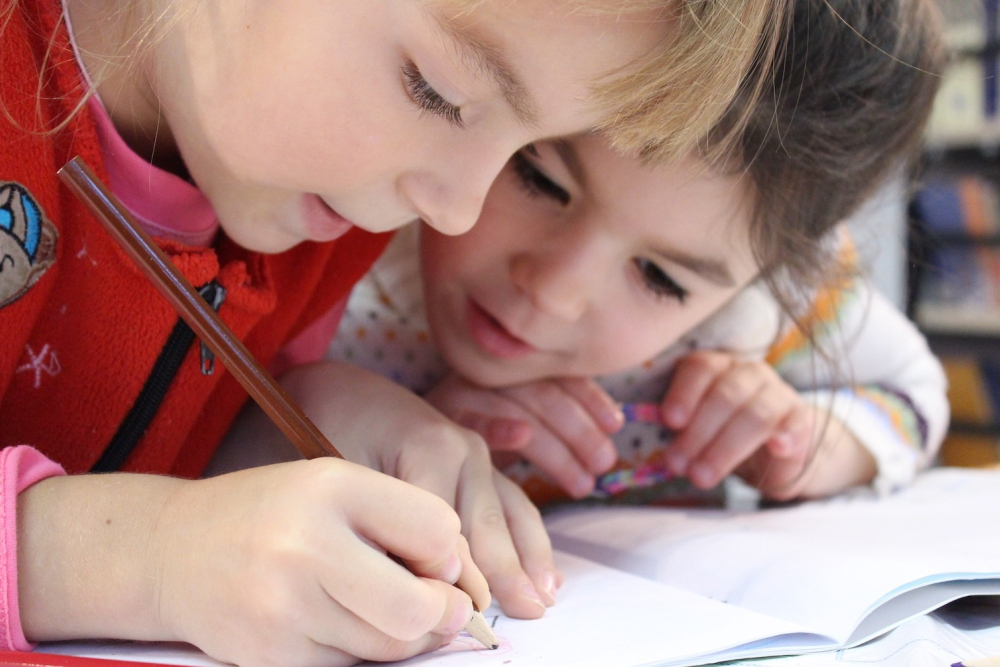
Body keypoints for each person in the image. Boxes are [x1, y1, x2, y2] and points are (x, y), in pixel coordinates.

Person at [0, 0, 788, 666]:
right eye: (438, 93)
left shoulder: (319, 211)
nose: (457, 211)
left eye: (522, 149)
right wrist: (153, 558)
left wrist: (306, 423)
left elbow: (144, 446)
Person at [325, 0, 949, 506]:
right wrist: (372, 429)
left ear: (771, 275)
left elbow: (916, 394)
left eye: (659, 277)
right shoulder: (347, 229)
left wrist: (813, 444)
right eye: (538, 179)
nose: (552, 291)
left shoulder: (763, 313)